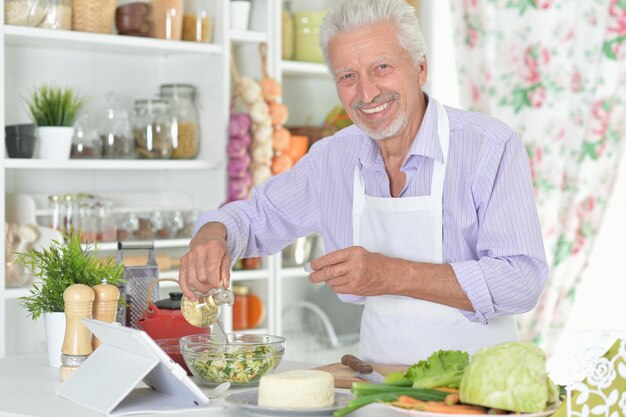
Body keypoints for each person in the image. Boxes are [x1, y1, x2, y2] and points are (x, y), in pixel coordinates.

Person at [179, 0, 548, 364]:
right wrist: (214, 233)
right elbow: (255, 218)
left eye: (382, 67)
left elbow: (523, 280)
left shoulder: (489, 147)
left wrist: (390, 274)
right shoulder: (333, 158)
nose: (367, 93)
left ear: (421, 68)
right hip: (378, 387)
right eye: (347, 76)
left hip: (476, 388)